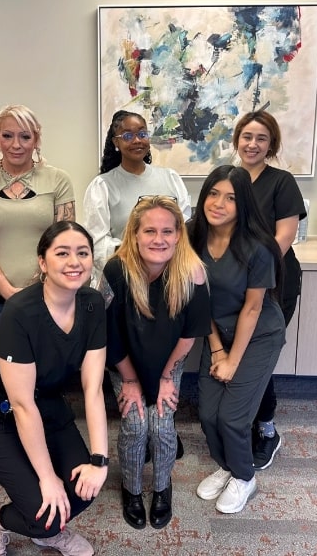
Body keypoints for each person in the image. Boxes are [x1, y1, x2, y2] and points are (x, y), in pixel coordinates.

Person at [0, 221, 108, 556]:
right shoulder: (20, 312)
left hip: (47, 404)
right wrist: (47, 477)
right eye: (62, 253)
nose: (74, 261)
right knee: (47, 512)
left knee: (85, 488)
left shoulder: (92, 304)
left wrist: (100, 459)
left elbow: (94, 388)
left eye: (82, 253)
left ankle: (48, 528)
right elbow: (21, 404)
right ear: (43, 262)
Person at [99, 196, 210, 530]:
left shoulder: (193, 273)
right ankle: (132, 490)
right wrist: (130, 380)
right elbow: (109, 335)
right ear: (134, 234)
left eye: (166, 231)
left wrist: (166, 377)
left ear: (178, 235)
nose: (158, 239)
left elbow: (189, 335)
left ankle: (162, 487)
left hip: (167, 363)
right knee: (135, 426)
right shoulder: (115, 270)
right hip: (124, 362)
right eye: (149, 231)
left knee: (161, 426)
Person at [188, 165, 286, 514]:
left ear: (243, 203)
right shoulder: (192, 236)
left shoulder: (257, 246)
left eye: (230, 198)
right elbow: (199, 300)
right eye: (213, 193)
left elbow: (253, 307)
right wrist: (216, 347)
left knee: (232, 417)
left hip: (258, 334)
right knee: (209, 414)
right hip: (217, 333)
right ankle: (227, 466)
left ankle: (245, 477)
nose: (218, 203)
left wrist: (231, 360)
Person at [0, 104, 75, 357]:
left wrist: (35, 289)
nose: (16, 144)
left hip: (47, 296)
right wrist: (7, 290)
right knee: (3, 368)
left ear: (36, 139)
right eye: (7, 135)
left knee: (46, 367)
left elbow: (63, 241)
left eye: (25, 136)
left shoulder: (58, 180)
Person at [233, 110, 306, 470]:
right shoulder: (230, 180)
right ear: (237, 140)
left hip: (276, 280)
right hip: (235, 281)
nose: (253, 144)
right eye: (247, 136)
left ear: (271, 144)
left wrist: (257, 273)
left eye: (261, 138)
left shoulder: (282, 182)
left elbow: (285, 235)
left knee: (261, 353)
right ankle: (241, 422)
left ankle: (266, 428)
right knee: (239, 350)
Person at [83, 109, 191, 287]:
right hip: (125, 279)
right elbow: (97, 242)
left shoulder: (171, 178)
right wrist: (140, 257)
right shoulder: (102, 186)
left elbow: (184, 228)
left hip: (171, 278)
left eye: (142, 133)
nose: (137, 140)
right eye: (127, 136)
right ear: (115, 142)